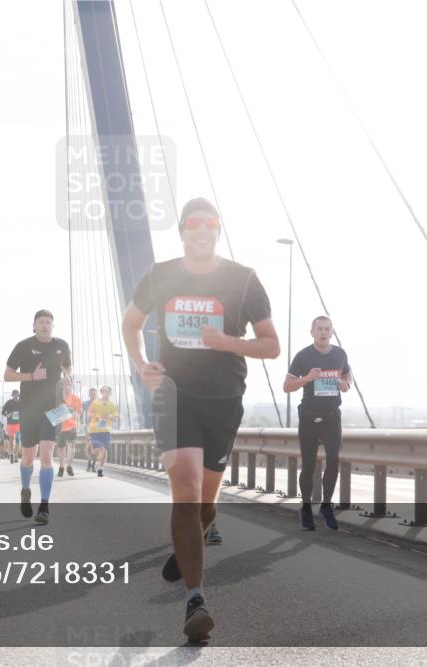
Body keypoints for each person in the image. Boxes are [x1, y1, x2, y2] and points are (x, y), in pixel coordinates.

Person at [121, 197, 278, 642]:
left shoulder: (244, 279)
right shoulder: (160, 275)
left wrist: (230, 342)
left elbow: (271, 345)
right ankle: (196, 599)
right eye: (194, 224)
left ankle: (188, 544)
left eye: (210, 223)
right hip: (174, 397)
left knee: (207, 504)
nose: (203, 230)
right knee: (186, 491)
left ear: (218, 231)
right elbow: (131, 324)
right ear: (183, 232)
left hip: (224, 399)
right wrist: (141, 364)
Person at [283, 315, 352, 531]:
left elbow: (348, 375)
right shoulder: (303, 356)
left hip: (331, 416)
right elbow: (286, 386)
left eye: (327, 329)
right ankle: (306, 508)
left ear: (332, 332)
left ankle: (326, 506)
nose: (323, 332)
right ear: (312, 332)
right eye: (319, 329)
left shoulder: (340, 354)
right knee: (309, 465)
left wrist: (345, 385)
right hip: (309, 417)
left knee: (333, 459)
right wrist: (306, 378)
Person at [4, 309, 73, 524]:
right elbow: (7, 375)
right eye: (41, 322)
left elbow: (68, 367)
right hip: (29, 408)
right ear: (34, 326)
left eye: (48, 322)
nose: (45, 325)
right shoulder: (23, 346)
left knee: (46, 456)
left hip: (55, 408)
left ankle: (44, 505)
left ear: (53, 326)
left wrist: (68, 379)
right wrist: (32, 376)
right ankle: (25, 490)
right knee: (28, 456)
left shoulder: (62, 346)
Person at [88, 385, 118, 477]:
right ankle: (93, 455)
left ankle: (100, 469)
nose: (106, 393)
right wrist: (96, 416)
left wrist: (109, 416)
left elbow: (115, 418)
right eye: (104, 391)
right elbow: (89, 413)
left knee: (104, 450)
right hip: (95, 430)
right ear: (101, 393)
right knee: (96, 451)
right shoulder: (95, 402)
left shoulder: (112, 405)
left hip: (106, 431)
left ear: (110, 393)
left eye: (107, 391)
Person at [57, 380, 82, 477]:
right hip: (60, 426)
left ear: (72, 386)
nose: (67, 386)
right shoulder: (58, 398)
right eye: (65, 384)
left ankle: (69, 466)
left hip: (72, 426)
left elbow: (79, 411)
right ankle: (61, 466)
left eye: (69, 384)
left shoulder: (76, 398)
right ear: (62, 386)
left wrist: (76, 414)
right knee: (61, 448)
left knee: (71, 446)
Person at [3, 389, 23, 463]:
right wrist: (6, 415)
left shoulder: (21, 402)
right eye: (14, 394)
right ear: (12, 395)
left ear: (18, 395)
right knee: (11, 440)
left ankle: (16, 456)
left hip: (18, 423)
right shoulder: (8, 402)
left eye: (17, 394)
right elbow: (3, 411)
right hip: (10, 423)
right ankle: (11, 454)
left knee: (17, 439)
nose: (16, 395)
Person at [81, 387, 98, 471]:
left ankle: (93, 465)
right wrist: (82, 422)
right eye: (91, 394)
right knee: (88, 446)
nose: (93, 396)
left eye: (94, 394)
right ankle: (89, 464)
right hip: (88, 427)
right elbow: (80, 413)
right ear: (89, 394)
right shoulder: (85, 403)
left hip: (97, 427)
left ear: (96, 395)